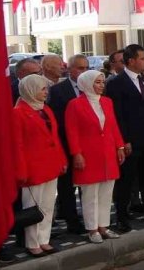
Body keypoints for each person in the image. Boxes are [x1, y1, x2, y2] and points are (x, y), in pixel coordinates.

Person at [105, 44, 144, 232]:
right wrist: (124, 140)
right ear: (131, 61)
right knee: (126, 180)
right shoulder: (116, 83)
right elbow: (117, 115)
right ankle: (122, 216)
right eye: (141, 58)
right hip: (130, 140)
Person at [66, 70, 125, 243]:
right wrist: (76, 153)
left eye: (102, 82)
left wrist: (120, 146)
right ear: (87, 84)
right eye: (97, 82)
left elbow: (113, 126)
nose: (101, 85)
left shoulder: (107, 102)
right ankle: (92, 229)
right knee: (90, 194)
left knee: (106, 192)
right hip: (88, 154)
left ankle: (103, 226)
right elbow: (72, 131)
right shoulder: (75, 104)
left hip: (108, 152)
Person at [12, 75, 67, 256]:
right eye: (42, 88)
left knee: (48, 205)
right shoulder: (18, 113)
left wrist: (61, 160)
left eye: (46, 88)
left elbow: (54, 138)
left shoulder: (46, 109)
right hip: (33, 167)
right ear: (31, 90)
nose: (46, 92)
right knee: (33, 206)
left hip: (50, 164)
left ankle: (44, 239)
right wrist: (21, 170)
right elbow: (17, 145)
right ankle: (32, 242)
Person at [48, 54, 89, 235]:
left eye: (86, 68)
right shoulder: (58, 91)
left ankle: (91, 218)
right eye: (80, 68)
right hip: (67, 144)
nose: (84, 72)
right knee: (67, 187)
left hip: (89, 144)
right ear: (70, 69)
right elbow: (57, 121)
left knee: (88, 185)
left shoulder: (92, 87)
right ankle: (72, 221)